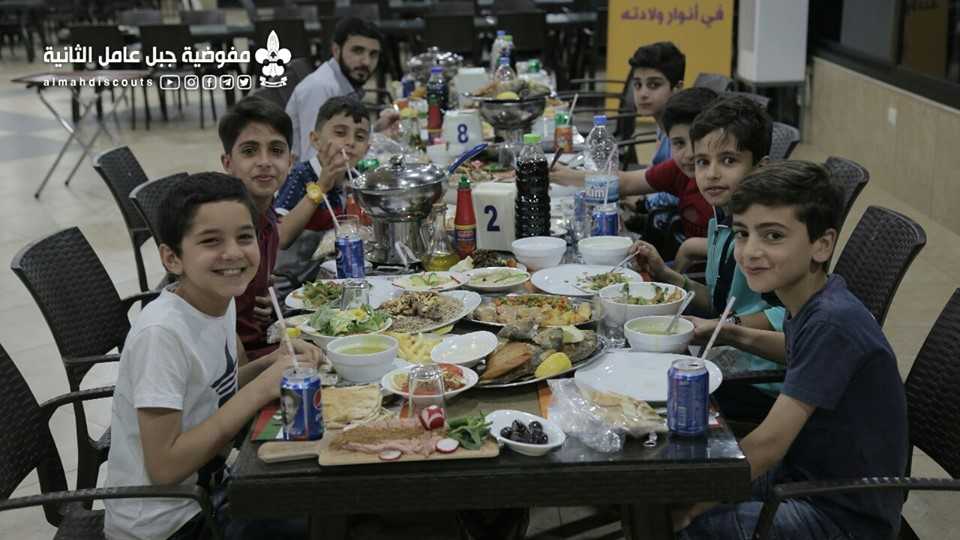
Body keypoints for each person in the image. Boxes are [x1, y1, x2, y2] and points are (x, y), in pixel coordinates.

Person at [676, 161, 908, 540]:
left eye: (773, 236)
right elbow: (799, 352)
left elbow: (768, 444)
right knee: (676, 485)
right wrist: (730, 334)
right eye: (742, 233)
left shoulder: (832, 323)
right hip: (805, 476)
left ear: (822, 245)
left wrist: (695, 503)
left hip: (844, 514)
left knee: (685, 520)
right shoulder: (812, 298)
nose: (750, 252)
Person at [104, 173, 322, 540]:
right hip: (168, 525)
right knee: (326, 520)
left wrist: (268, 364)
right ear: (172, 258)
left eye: (244, 237)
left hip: (212, 491)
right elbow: (165, 466)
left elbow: (209, 391)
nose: (233, 253)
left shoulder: (218, 298)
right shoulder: (161, 335)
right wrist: (261, 389)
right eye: (211, 241)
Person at [632, 96, 786, 421]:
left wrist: (727, 327)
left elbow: (785, 316)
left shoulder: (768, 238)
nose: (712, 174)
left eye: (728, 160)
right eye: (702, 162)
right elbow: (722, 303)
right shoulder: (724, 221)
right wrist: (666, 274)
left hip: (759, 381)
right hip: (726, 355)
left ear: (760, 167)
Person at [552, 87, 716, 244]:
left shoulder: (722, 181)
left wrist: (688, 250)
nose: (689, 154)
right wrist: (564, 175)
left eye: (697, 141)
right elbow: (625, 182)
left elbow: (726, 246)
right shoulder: (677, 170)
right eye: (679, 143)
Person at [218, 95, 298, 357]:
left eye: (276, 150)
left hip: (265, 340)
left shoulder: (270, 220)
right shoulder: (224, 233)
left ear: (290, 161)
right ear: (228, 163)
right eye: (249, 151)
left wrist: (264, 295)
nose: (264, 161)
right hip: (233, 361)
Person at [551, 41, 686, 187]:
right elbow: (652, 176)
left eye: (654, 85)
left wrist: (568, 176)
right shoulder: (663, 125)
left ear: (677, 88)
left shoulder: (681, 138)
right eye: (638, 85)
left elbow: (637, 184)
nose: (643, 94)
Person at [285, 17, 397, 162]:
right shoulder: (320, 88)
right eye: (358, 51)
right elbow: (314, 158)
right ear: (336, 50)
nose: (366, 61)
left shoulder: (345, 82)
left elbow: (341, 140)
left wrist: (376, 131)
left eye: (373, 54)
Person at [274, 96, 371, 259]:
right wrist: (320, 188)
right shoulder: (300, 175)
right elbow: (280, 237)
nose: (350, 142)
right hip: (300, 269)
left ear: (367, 150)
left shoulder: (358, 180)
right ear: (316, 140)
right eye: (340, 133)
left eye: (360, 137)